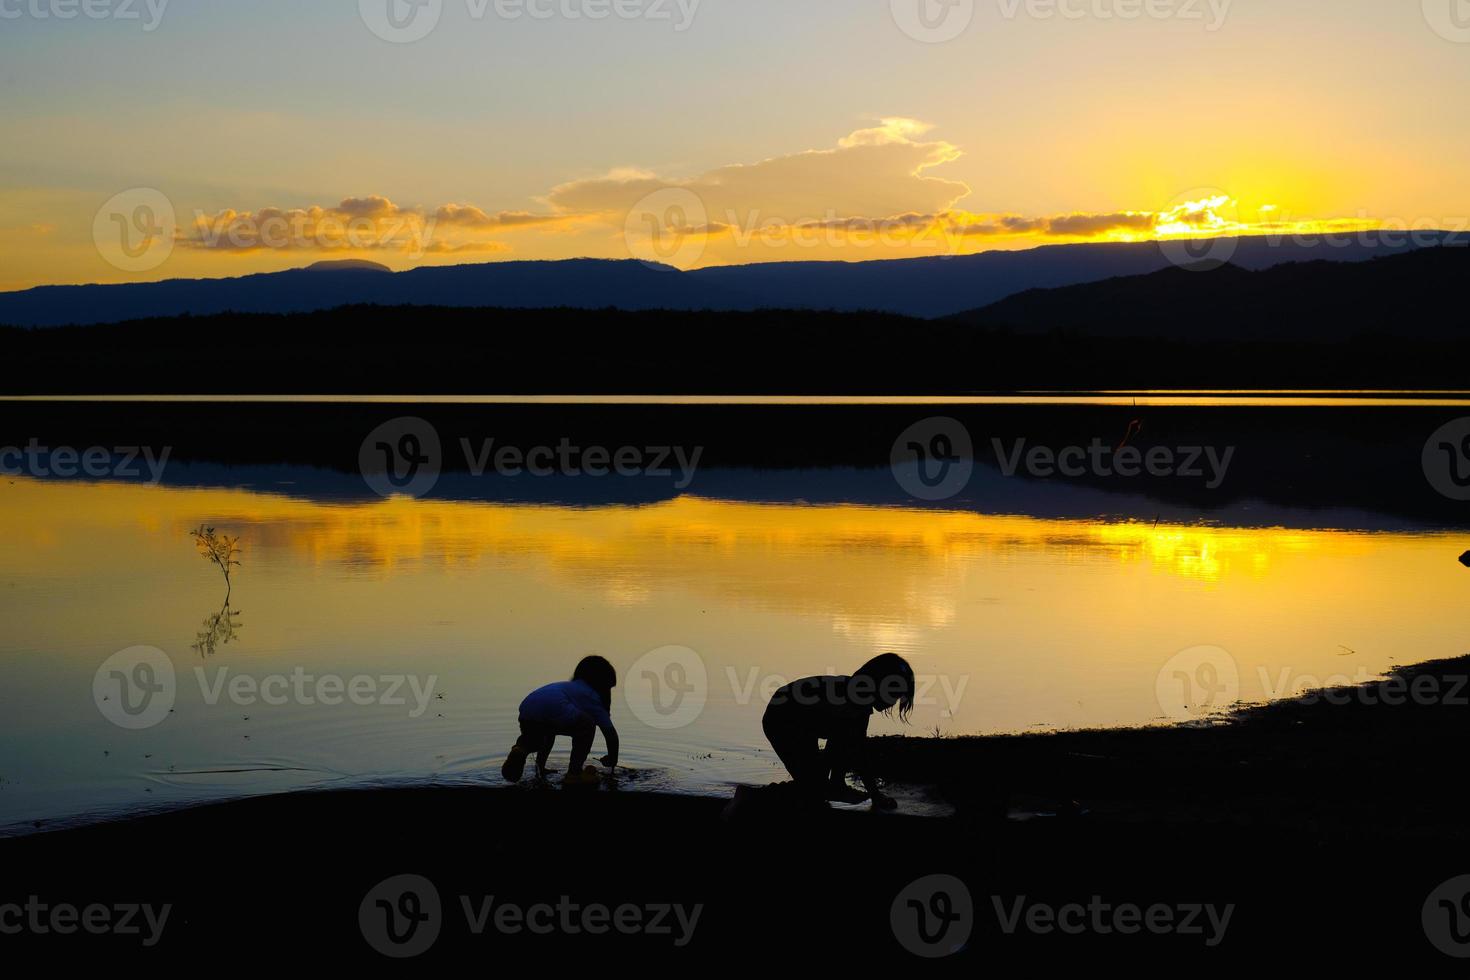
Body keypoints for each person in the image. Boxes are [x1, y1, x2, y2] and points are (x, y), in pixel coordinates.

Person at [761, 653, 915, 809]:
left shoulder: (858, 700)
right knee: (813, 790)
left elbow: (843, 742)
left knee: (817, 786)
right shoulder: (853, 700)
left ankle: (830, 786)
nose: (894, 701)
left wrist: (834, 780)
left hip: (800, 720)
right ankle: (754, 797)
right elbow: (858, 751)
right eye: (894, 694)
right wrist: (875, 794)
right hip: (782, 719)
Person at [502, 655, 620, 787]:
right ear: (602, 684)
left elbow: (550, 713)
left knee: (542, 736)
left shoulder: (568, 686)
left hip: (529, 704)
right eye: (609, 688)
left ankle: (522, 751)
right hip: (554, 705)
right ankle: (574, 774)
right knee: (588, 725)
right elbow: (611, 735)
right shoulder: (592, 697)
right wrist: (612, 759)